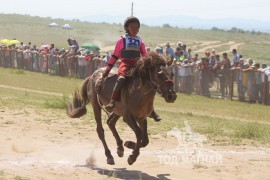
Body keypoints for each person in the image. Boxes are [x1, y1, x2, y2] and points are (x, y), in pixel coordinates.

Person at [102, 16, 161, 121]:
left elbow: (144, 54)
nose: (135, 29)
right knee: (121, 79)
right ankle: (112, 102)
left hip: (137, 65)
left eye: (137, 27)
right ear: (127, 28)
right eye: (132, 27)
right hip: (125, 63)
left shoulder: (140, 40)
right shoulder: (122, 40)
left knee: (149, 81)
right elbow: (115, 55)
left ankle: (151, 110)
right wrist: (108, 69)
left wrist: (152, 62)